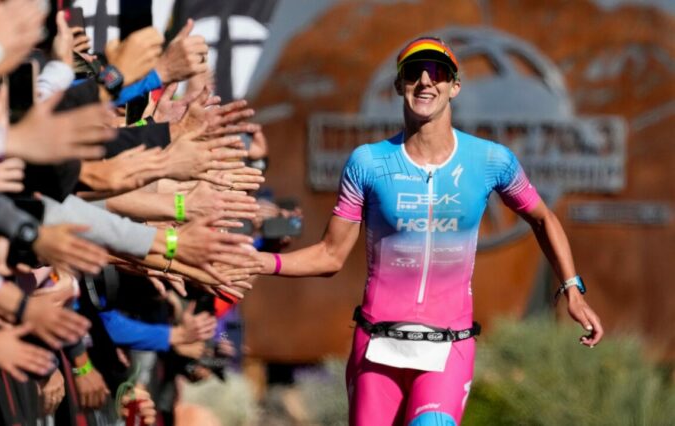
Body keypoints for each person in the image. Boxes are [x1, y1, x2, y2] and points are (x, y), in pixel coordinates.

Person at [255, 37, 604, 426]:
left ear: (454, 86)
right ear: (398, 85)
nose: (425, 81)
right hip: (377, 349)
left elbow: (543, 218)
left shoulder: (491, 160)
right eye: (413, 73)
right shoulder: (368, 163)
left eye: (437, 72)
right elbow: (330, 255)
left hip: (447, 349)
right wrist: (259, 261)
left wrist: (572, 289)